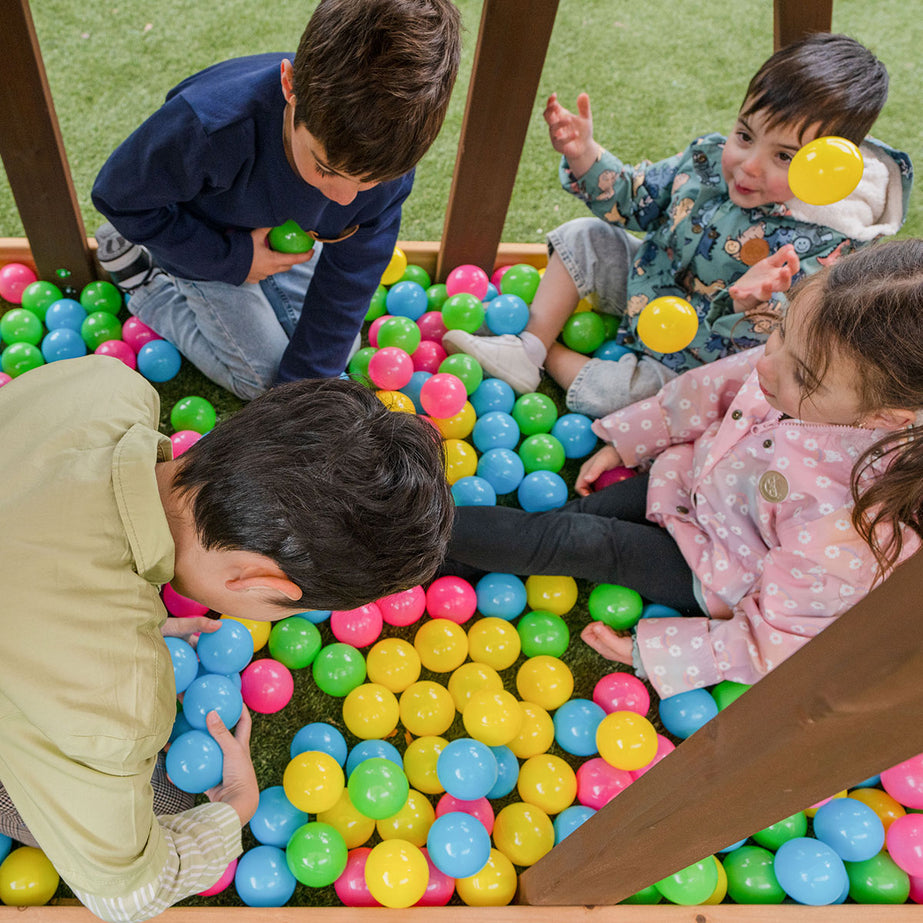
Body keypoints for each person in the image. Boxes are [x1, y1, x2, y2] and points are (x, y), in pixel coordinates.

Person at [0, 355, 453, 921]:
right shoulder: (117, 710)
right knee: (166, 808)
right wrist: (233, 811)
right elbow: (124, 896)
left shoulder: (106, 385)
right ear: (266, 585)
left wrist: (112, 616)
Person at [446, 240, 923, 699]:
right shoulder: (800, 358)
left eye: (801, 375)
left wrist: (654, 652)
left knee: (580, 540)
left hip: (717, 567)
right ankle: (438, 553)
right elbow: (708, 388)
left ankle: (406, 539)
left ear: (885, 418)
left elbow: (783, 636)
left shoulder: (855, 523)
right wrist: (633, 437)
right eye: (780, 331)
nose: (768, 366)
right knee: (579, 516)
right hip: (688, 482)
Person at [444, 33, 912, 417]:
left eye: (784, 157)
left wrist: (748, 302)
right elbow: (637, 200)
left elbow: (779, 349)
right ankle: (528, 347)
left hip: (693, 354)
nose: (748, 166)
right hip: (647, 282)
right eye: (745, 135)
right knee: (583, 237)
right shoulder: (708, 159)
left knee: (623, 399)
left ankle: (553, 358)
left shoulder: (823, 247)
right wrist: (585, 156)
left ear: (828, 168)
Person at [92, 0, 461, 400]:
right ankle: (148, 283)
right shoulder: (210, 126)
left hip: (283, 238)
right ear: (290, 86)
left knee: (326, 361)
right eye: (326, 169)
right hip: (199, 236)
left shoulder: (389, 152)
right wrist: (233, 258)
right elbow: (117, 196)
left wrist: (300, 394)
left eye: (368, 182)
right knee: (260, 383)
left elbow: (353, 272)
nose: (344, 198)